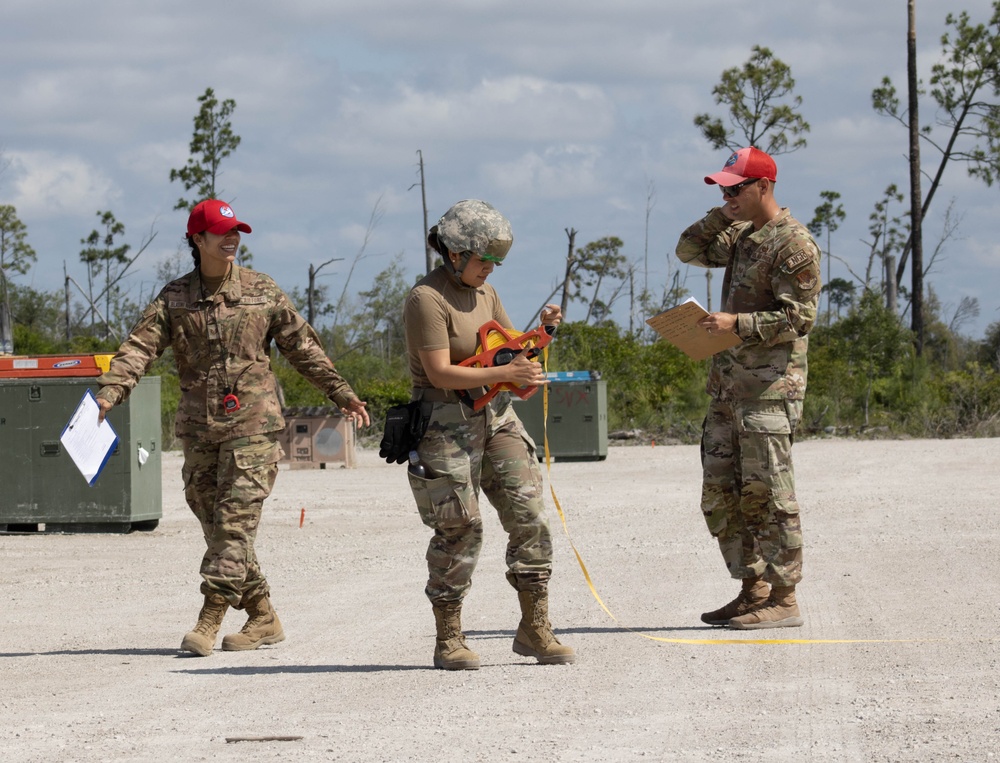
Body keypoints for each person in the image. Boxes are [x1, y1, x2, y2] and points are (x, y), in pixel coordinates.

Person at [95, 198, 370, 656]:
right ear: (197, 240)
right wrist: (110, 392)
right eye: (222, 232)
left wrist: (341, 393)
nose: (232, 239)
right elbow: (139, 348)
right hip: (199, 430)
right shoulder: (175, 298)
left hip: (253, 427)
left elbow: (303, 348)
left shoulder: (262, 291)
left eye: (236, 231)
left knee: (234, 526)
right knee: (216, 525)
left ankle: (209, 617)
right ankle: (263, 615)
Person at [403, 199, 575, 669]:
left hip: (495, 417)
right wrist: (508, 372)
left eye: (496, 263)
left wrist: (528, 361)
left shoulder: (488, 293)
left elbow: (500, 359)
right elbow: (440, 372)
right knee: (460, 527)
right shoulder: (427, 299)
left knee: (530, 515)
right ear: (455, 253)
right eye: (484, 261)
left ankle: (535, 627)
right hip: (443, 422)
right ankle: (449, 637)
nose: (491, 270)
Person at [674, 147, 821, 630]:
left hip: (769, 392)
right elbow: (688, 250)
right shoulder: (739, 235)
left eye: (736, 188)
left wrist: (737, 322)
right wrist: (723, 213)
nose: (727, 195)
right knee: (721, 492)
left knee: (770, 494)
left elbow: (799, 318)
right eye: (722, 188)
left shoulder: (793, 245)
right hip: (728, 389)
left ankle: (785, 596)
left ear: (764, 186)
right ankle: (753, 587)